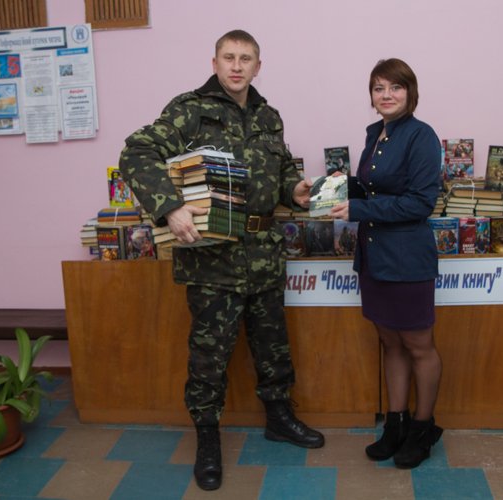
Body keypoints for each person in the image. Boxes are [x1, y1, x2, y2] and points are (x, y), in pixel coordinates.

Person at [118, 29, 324, 492]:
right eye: (228, 57)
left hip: (264, 254)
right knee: (210, 356)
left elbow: (281, 171)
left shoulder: (269, 116)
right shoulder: (190, 110)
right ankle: (207, 438)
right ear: (214, 63)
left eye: (245, 58)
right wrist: (170, 206)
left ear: (257, 67)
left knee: (273, 346)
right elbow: (137, 151)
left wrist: (293, 189)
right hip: (213, 259)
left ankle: (279, 417)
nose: (236, 66)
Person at [329, 58, 443, 469]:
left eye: (395, 87)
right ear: (371, 96)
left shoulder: (422, 136)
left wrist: (358, 208)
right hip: (374, 256)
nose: (387, 95)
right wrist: (333, 187)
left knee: (418, 346)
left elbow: (420, 203)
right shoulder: (374, 133)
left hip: (408, 258)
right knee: (391, 343)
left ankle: (422, 428)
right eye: (379, 88)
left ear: (411, 92)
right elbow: (371, 188)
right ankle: (395, 426)